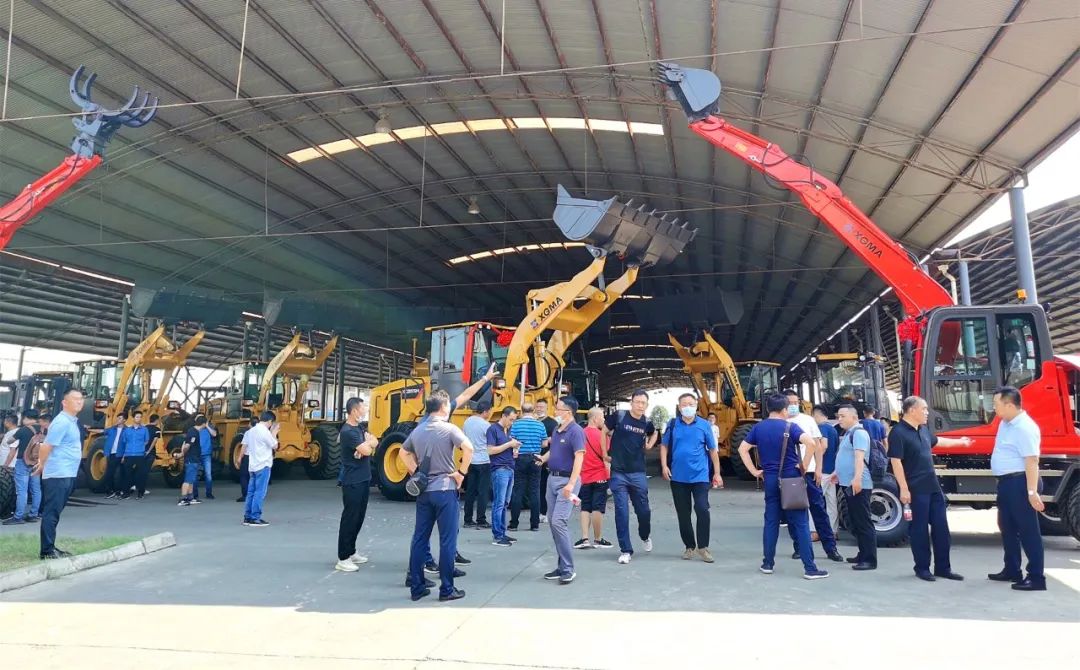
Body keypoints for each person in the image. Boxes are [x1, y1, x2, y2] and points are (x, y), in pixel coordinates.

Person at [738, 392, 829, 579]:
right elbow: (811, 443)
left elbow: (742, 449)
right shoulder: (790, 426)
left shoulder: (758, 427)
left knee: (771, 521)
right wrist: (804, 465)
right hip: (791, 480)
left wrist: (754, 471)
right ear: (784, 409)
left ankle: (767, 563)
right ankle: (810, 568)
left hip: (770, 479)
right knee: (800, 523)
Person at [888, 395, 970, 581]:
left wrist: (961, 442)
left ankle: (943, 568)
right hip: (915, 489)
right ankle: (922, 568)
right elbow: (896, 462)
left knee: (941, 529)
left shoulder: (923, 429)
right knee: (919, 530)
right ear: (911, 410)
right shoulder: (898, 433)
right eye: (924, 409)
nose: (927, 412)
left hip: (933, 487)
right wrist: (904, 489)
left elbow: (937, 441)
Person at [400, 395, 474, 602]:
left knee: (420, 539)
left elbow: (403, 452)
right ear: (443, 407)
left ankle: (417, 587)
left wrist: (416, 472)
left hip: (424, 492)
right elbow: (469, 448)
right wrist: (461, 473)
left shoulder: (418, 430)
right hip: (445, 489)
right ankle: (447, 589)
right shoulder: (449, 429)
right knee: (447, 541)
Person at [988, 386, 1045, 591]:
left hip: (1020, 483)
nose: (994, 408)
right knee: (1007, 527)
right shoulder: (1006, 423)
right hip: (1006, 483)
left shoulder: (1025, 428)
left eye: (996, 404)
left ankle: (1036, 577)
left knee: (1028, 531)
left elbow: (1032, 461)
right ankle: (1012, 569)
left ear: (1010, 405)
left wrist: (1032, 492)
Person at [661, 393, 723, 563]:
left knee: (702, 509)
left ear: (696, 405)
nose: (687, 407)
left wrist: (717, 473)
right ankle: (689, 546)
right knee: (683, 513)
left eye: (691, 404)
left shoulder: (704, 425)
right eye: (684, 404)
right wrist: (664, 466)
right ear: (679, 407)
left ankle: (703, 547)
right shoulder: (673, 424)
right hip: (678, 477)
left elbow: (712, 450)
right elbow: (664, 446)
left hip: (700, 476)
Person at [784, 390, 843, 562]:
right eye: (790, 402)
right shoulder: (781, 422)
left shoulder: (807, 420)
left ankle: (830, 548)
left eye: (796, 402)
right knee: (793, 513)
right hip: (791, 474)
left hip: (810, 473)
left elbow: (817, 445)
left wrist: (818, 468)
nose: (793, 405)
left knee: (819, 510)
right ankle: (799, 547)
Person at [605, 389, 657, 564]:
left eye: (643, 403)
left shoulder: (647, 423)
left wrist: (649, 445)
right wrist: (604, 453)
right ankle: (625, 550)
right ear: (631, 403)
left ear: (646, 405)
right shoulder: (619, 416)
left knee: (644, 511)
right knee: (621, 511)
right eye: (637, 402)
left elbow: (654, 432)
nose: (640, 405)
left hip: (638, 473)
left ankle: (645, 535)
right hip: (618, 473)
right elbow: (603, 431)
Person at [536, 396, 585, 584]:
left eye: (558, 409)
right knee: (553, 522)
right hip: (552, 479)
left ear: (568, 412)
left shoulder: (576, 431)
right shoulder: (557, 430)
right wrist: (543, 459)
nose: (555, 412)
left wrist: (571, 484)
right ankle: (562, 566)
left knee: (558, 521)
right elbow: (554, 450)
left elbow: (579, 458)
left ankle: (568, 568)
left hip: (567, 481)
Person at [32, 388, 85, 559]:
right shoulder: (61, 422)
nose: (79, 401)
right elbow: (46, 446)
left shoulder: (71, 422)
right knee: (51, 512)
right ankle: (47, 551)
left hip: (66, 473)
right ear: (64, 402)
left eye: (81, 398)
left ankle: (51, 547)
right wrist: (42, 465)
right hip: (58, 474)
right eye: (75, 398)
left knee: (55, 512)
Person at [335, 398, 378, 571]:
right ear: (354, 411)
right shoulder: (347, 431)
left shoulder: (359, 428)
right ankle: (343, 557)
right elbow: (367, 450)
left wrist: (366, 445)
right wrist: (366, 446)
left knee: (359, 517)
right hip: (352, 481)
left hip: (364, 478)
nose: (365, 410)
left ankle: (351, 551)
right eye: (362, 408)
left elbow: (375, 441)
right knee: (350, 518)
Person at [833, 405, 876, 570]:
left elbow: (859, 458)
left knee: (863, 521)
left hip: (859, 484)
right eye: (838, 416)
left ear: (854, 417)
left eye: (843, 416)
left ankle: (869, 559)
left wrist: (857, 479)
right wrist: (837, 473)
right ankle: (863, 553)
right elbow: (847, 457)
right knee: (856, 521)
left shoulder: (859, 433)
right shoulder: (850, 433)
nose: (839, 419)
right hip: (849, 483)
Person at [575, 406, 612, 549]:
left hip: (584, 476)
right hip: (600, 475)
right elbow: (607, 455)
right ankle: (598, 539)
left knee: (585, 507)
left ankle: (584, 538)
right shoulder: (602, 435)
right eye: (602, 417)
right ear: (595, 418)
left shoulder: (580, 434)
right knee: (598, 508)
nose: (604, 419)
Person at [509, 402, 547, 532]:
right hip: (536, 458)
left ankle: (514, 524)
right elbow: (544, 443)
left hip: (520, 458)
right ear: (533, 411)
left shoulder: (516, 424)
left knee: (518, 490)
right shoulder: (540, 425)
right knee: (535, 491)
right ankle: (534, 524)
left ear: (521, 411)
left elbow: (512, 441)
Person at [487, 406, 521, 547]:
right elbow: (490, 450)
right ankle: (498, 535)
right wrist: (509, 444)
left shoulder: (508, 430)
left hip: (509, 467)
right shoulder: (493, 429)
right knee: (499, 503)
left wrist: (514, 450)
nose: (512, 422)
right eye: (511, 419)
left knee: (505, 503)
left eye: (514, 420)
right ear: (504, 416)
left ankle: (502, 531)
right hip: (499, 469)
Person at [3, 410, 42, 525]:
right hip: (36, 462)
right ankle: (33, 514)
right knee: (36, 489)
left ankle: (18, 516)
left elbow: (9, 441)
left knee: (21, 490)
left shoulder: (24, 430)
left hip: (23, 462)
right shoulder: (42, 429)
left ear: (26, 418)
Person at [243, 411, 279, 527]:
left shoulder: (251, 431)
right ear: (270, 421)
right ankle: (255, 518)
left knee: (251, 492)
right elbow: (275, 446)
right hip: (263, 465)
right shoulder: (264, 432)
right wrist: (274, 433)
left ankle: (247, 517)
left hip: (253, 465)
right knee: (259, 492)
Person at [462, 401, 493, 528]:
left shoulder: (467, 422)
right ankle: (481, 519)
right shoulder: (486, 425)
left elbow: (463, 439)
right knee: (483, 492)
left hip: (470, 460)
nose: (490, 413)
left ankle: (468, 519)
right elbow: (491, 443)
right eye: (489, 411)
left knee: (470, 491)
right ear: (485, 411)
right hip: (484, 460)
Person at [812, 405, 840, 534]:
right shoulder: (833, 429)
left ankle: (815, 531)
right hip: (831, 470)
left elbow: (823, 446)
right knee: (831, 503)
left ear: (816, 415)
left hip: (822, 471)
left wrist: (816, 462)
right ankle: (833, 531)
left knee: (815, 501)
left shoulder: (821, 428)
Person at [177, 415, 209, 507]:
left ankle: (190, 498)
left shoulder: (194, 431)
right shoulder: (193, 433)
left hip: (194, 459)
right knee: (188, 480)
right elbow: (187, 445)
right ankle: (183, 499)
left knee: (191, 480)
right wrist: (182, 454)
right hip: (191, 459)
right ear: (204, 424)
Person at [535, 398, 558, 523]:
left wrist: (546, 440)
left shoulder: (552, 423)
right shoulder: (532, 421)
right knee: (535, 486)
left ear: (547, 408)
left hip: (547, 458)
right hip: (533, 457)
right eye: (537, 407)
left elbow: (557, 439)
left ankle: (544, 512)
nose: (539, 409)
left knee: (545, 486)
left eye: (542, 407)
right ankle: (537, 512)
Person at [119, 410, 149, 500]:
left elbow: (146, 441)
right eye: (137, 417)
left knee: (140, 475)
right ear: (133, 418)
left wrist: (140, 447)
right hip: (129, 454)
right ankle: (126, 493)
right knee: (127, 474)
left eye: (140, 417)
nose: (139, 419)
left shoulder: (144, 429)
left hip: (139, 454)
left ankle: (140, 493)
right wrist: (123, 456)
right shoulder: (127, 430)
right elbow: (124, 442)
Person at [192, 416, 218, 500]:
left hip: (206, 454)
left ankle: (209, 493)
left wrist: (207, 426)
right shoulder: (194, 429)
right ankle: (195, 494)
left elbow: (214, 434)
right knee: (195, 475)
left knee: (208, 475)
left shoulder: (208, 428)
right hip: (197, 454)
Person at [136, 413, 161, 497]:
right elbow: (154, 441)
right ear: (156, 420)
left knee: (139, 469)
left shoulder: (144, 428)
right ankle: (141, 489)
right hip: (150, 453)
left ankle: (134, 485)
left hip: (140, 452)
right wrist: (149, 451)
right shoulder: (157, 429)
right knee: (145, 472)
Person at [102, 414, 126, 499]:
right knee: (110, 473)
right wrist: (89, 429)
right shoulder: (112, 429)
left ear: (124, 420)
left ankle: (116, 491)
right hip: (111, 453)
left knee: (117, 473)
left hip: (120, 454)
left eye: (120, 418)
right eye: (117, 418)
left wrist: (124, 456)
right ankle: (112, 491)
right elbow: (103, 431)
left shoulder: (127, 430)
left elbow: (128, 443)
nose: (117, 420)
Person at [236, 417, 258, 502]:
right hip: (258, 457)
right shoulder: (262, 433)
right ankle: (255, 495)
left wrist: (239, 457)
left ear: (250, 424)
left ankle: (245, 495)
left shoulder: (248, 433)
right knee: (255, 476)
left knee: (244, 476)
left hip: (248, 457)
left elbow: (244, 446)